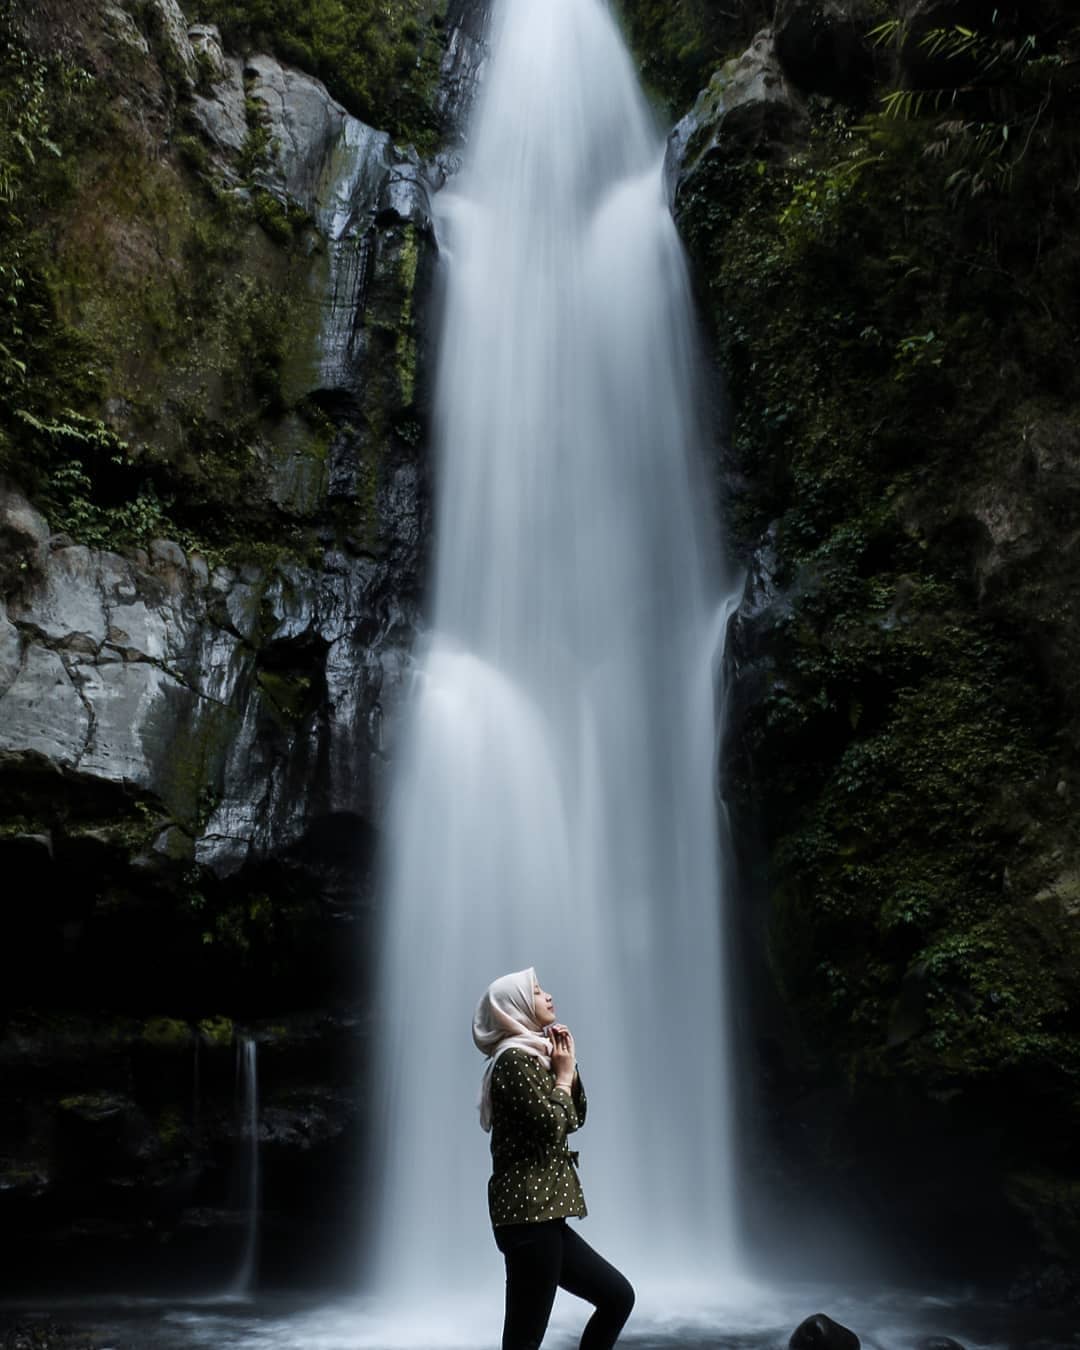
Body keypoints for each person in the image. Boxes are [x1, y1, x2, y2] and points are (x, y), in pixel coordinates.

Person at [473, 967, 635, 1350]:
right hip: (528, 1217)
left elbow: (573, 1119)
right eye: (536, 991)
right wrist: (562, 1079)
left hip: (545, 1215)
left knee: (617, 1298)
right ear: (516, 1006)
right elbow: (550, 1126)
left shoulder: (535, 1057)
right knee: (524, 1340)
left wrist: (569, 1068)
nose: (547, 996)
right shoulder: (512, 1061)